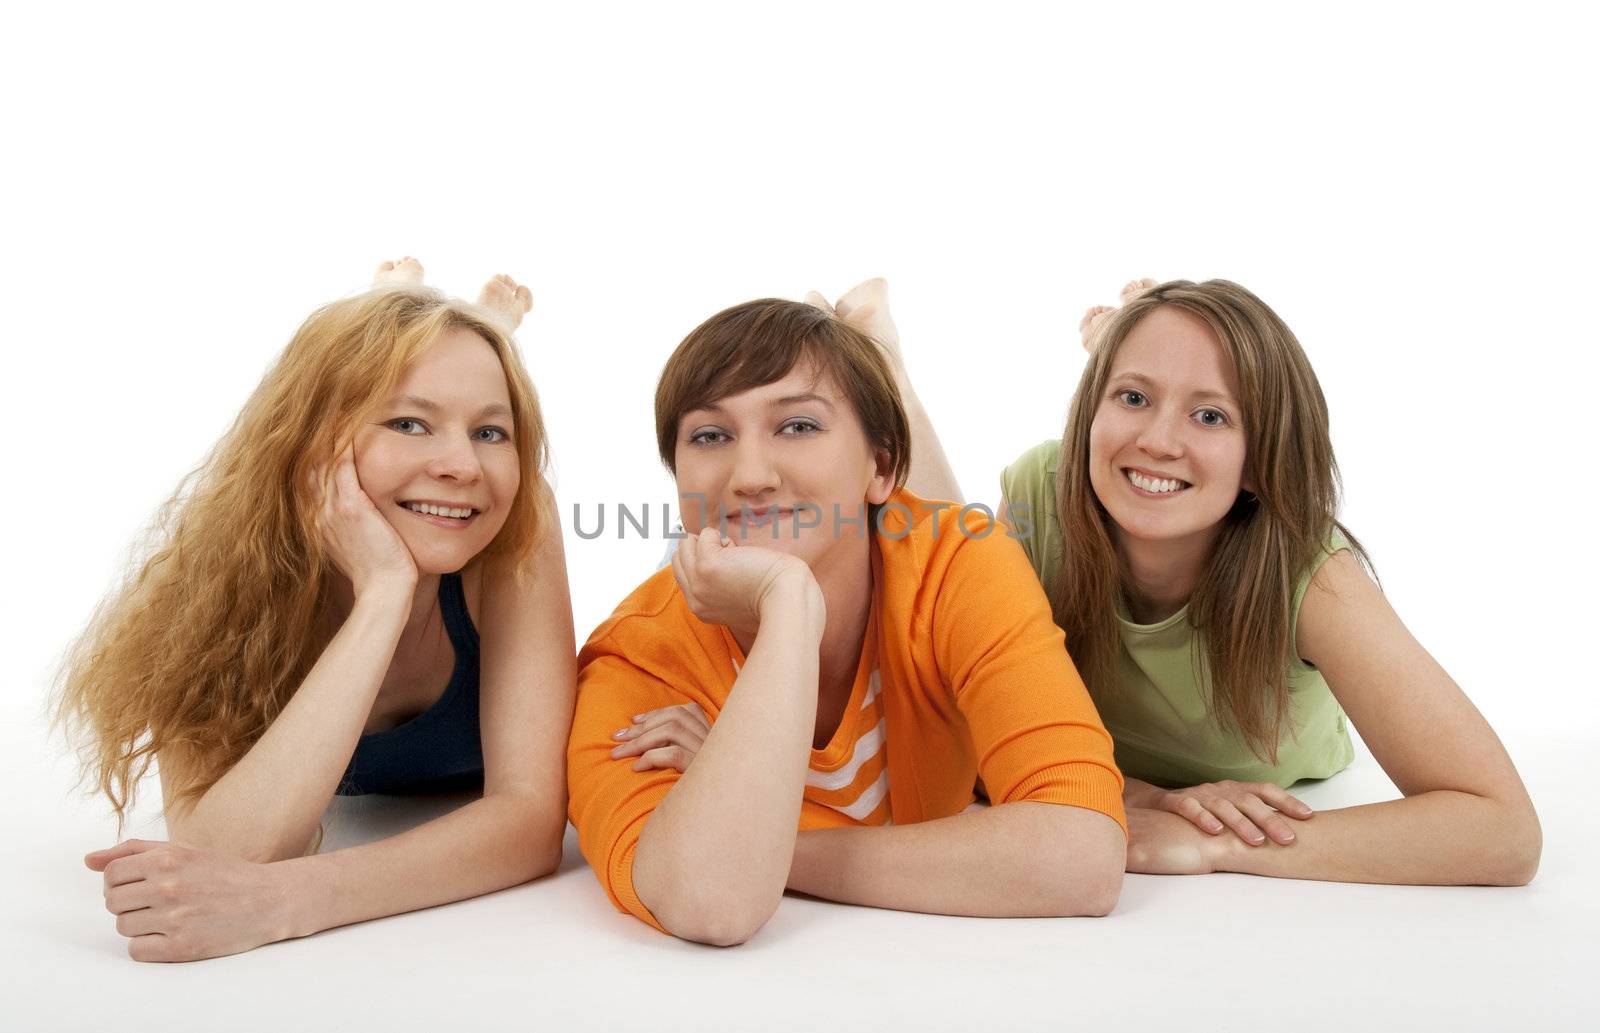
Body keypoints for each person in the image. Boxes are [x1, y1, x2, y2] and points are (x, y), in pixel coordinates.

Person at [566, 289, 1128, 947]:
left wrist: (771, 842)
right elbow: (709, 900)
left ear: (882, 465)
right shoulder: (635, 654)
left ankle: (886, 355)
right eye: (710, 435)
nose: (749, 475)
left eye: (798, 425)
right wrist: (788, 601)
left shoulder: (961, 563)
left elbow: (1081, 852)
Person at [56, 258, 577, 961]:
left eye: (492, 432)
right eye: (408, 422)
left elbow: (530, 820)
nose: (464, 466)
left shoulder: (516, 527)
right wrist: (383, 593)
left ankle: (459, 328)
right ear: (312, 443)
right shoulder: (222, 567)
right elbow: (223, 848)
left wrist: (290, 901)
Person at [959, 277, 1539, 884]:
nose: (1156, 443)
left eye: (1210, 415)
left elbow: (1503, 831)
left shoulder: (1315, 577)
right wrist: (1141, 797)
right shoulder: (1037, 493)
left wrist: (1217, 846)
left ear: (1262, 462)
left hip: (1299, 766)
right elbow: (959, 728)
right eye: (1131, 398)